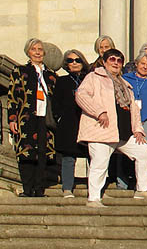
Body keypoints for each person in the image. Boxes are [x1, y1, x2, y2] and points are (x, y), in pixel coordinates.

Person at [75, 49, 147, 207]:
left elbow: (134, 110)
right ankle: (93, 198)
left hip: (124, 132)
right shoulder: (94, 77)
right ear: (104, 62)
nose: (116, 63)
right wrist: (99, 112)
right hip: (101, 130)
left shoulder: (125, 84)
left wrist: (138, 129)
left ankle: (142, 190)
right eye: (112, 59)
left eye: (119, 61)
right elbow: (81, 95)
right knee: (99, 162)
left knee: (144, 152)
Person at [7, 38, 58, 197]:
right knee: (26, 153)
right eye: (34, 49)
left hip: (46, 118)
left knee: (43, 153)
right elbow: (13, 95)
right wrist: (12, 118)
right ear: (28, 52)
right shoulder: (20, 71)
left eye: (40, 49)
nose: (37, 52)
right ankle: (28, 189)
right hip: (26, 117)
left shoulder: (50, 74)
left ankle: (39, 188)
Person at [52, 49, 89, 198]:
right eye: (70, 60)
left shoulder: (89, 79)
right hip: (68, 123)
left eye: (77, 60)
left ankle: (94, 188)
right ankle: (67, 188)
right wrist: (59, 117)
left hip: (86, 122)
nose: (73, 63)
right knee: (68, 156)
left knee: (92, 155)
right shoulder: (62, 81)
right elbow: (56, 103)